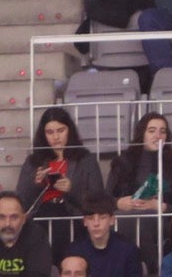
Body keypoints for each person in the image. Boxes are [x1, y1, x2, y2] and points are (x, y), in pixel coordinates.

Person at [15, 107, 104, 253]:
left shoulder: (85, 159)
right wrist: (36, 184)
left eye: (60, 131)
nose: (56, 137)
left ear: (69, 130)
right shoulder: (33, 161)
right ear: (43, 135)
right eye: (50, 132)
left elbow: (99, 200)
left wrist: (72, 190)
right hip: (41, 216)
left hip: (73, 217)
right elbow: (20, 201)